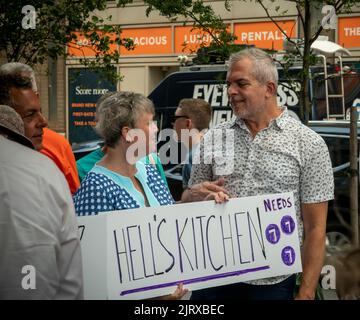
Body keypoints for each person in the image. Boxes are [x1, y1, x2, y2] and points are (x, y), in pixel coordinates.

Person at [183, 48, 334, 300]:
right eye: (229, 84)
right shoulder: (213, 137)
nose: (231, 91)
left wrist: (306, 292)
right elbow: (188, 201)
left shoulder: (308, 143)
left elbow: (316, 228)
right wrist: (195, 195)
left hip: (272, 283)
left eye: (241, 83)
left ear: (269, 89)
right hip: (212, 277)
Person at [74, 91, 190, 299]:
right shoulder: (95, 188)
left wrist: (203, 202)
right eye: (150, 122)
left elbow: (169, 221)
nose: (156, 129)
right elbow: (94, 272)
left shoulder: (150, 168)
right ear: (128, 133)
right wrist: (151, 298)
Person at [0, 105, 83, 299]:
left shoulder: (53, 154)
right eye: (30, 114)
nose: (43, 121)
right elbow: (71, 277)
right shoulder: (44, 169)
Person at [0, 62, 80, 194]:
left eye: (40, 111)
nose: (43, 122)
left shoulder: (58, 145)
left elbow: (72, 199)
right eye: (30, 114)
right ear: (5, 116)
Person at [76, 92, 168, 186]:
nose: (156, 129)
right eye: (148, 123)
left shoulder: (150, 161)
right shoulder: (85, 171)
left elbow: (165, 200)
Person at [172, 98, 211, 188]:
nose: (172, 123)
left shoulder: (193, 157)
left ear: (187, 123)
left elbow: (196, 199)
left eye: (175, 118)